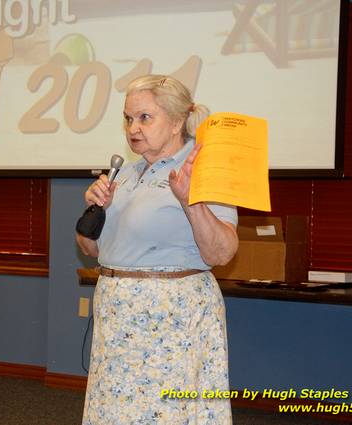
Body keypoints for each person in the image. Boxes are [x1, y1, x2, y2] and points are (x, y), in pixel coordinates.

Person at [77, 75, 239, 424]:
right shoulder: (126, 174)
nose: (133, 127)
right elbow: (91, 249)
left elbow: (222, 253)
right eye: (128, 118)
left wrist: (189, 202)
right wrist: (94, 211)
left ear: (178, 121)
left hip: (171, 320)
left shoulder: (203, 169)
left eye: (144, 118)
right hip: (118, 318)